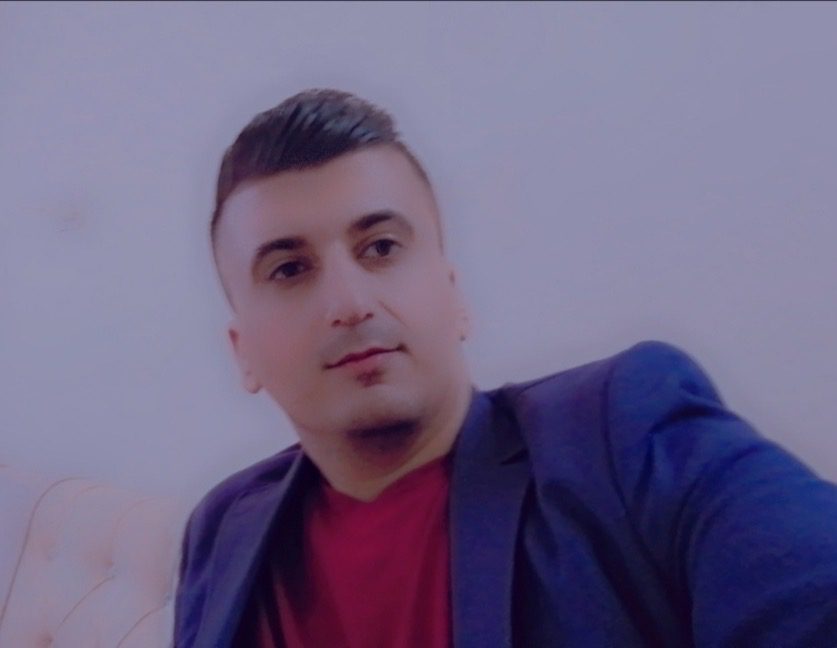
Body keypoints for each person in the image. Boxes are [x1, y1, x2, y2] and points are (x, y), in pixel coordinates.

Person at [174, 88, 837, 648]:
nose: (349, 303)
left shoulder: (622, 432)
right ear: (242, 352)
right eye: (290, 269)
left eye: (380, 247)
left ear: (454, 297)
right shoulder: (224, 529)